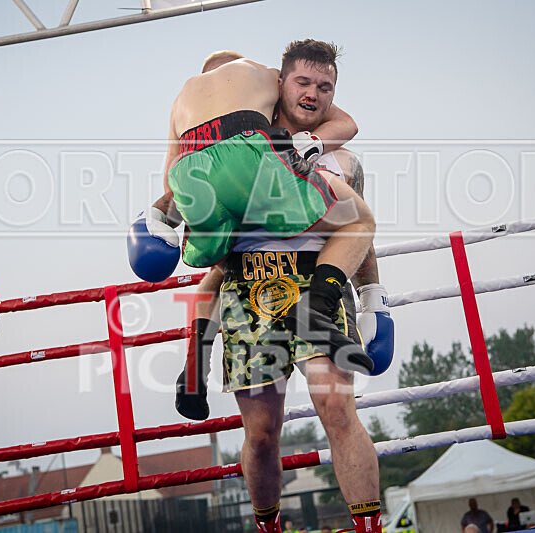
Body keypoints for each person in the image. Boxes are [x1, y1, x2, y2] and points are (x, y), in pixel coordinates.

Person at [173, 42, 385, 533]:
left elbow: (361, 238)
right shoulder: (241, 141)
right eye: (303, 83)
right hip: (248, 284)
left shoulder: (344, 157)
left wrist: (376, 300)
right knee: (262, 432)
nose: (312, 94)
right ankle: (268, 527)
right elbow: (200, 234)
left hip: (318, 281)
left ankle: (369, 527)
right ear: (277, 85)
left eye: (324, 87)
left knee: (337, 407)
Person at [143, 41, 377, 385]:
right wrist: (374, 300)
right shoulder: (265, 78)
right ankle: (319, 308)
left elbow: (170, 183)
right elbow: (346, 122)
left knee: (221, 269)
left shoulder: (182, 100)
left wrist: (154, 221)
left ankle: (195, 364)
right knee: (359, 219)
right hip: (254, 169)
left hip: (195, 179)